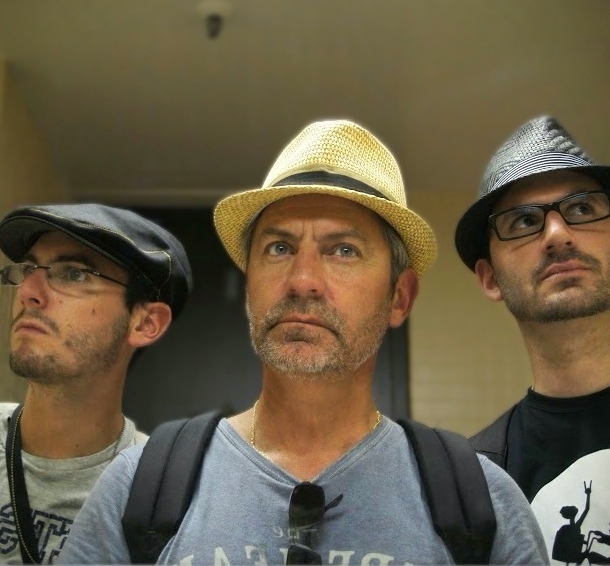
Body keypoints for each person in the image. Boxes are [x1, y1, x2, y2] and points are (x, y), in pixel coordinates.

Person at [60, 119, 547, 564]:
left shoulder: (481, 503)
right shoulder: (139, 486)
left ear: (399, 297)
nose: (303, 281)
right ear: (249, 287)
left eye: (343, 250)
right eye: (279, 248)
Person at [0, 203, 193, 563]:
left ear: (145, 323)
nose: (27, 291)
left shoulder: (163, 499)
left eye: (74, 274)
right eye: (27, 269)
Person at [455, 114, 610, 559]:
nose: (557, 234)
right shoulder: (475, 482)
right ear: (490, 279)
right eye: (523, 221)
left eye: (582, 209)